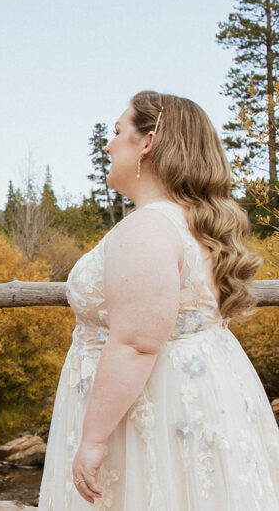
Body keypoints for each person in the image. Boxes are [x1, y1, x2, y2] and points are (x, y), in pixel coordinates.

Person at [38, 90, 279, 510]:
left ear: (147, 142)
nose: (108, 144)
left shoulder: (147, 229)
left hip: (152, 409)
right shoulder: (193, 225)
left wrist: (93, 439)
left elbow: (136, 342)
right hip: (196, 401)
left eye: (117, 132)